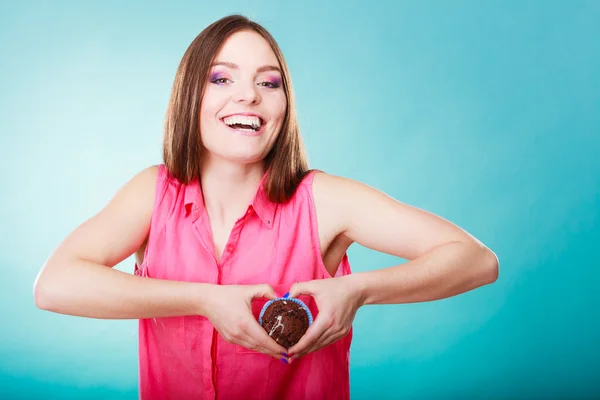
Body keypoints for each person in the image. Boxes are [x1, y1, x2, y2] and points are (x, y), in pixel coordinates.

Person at [33, 14, 499, 400]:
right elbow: (54, 285)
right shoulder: (152, 194)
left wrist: (358, 290)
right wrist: (203, 300)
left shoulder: (324, 200)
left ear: (283, 106)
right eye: (221, 78)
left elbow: (477, 259)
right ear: (190, 97)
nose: (248, 94)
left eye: (268, 82)